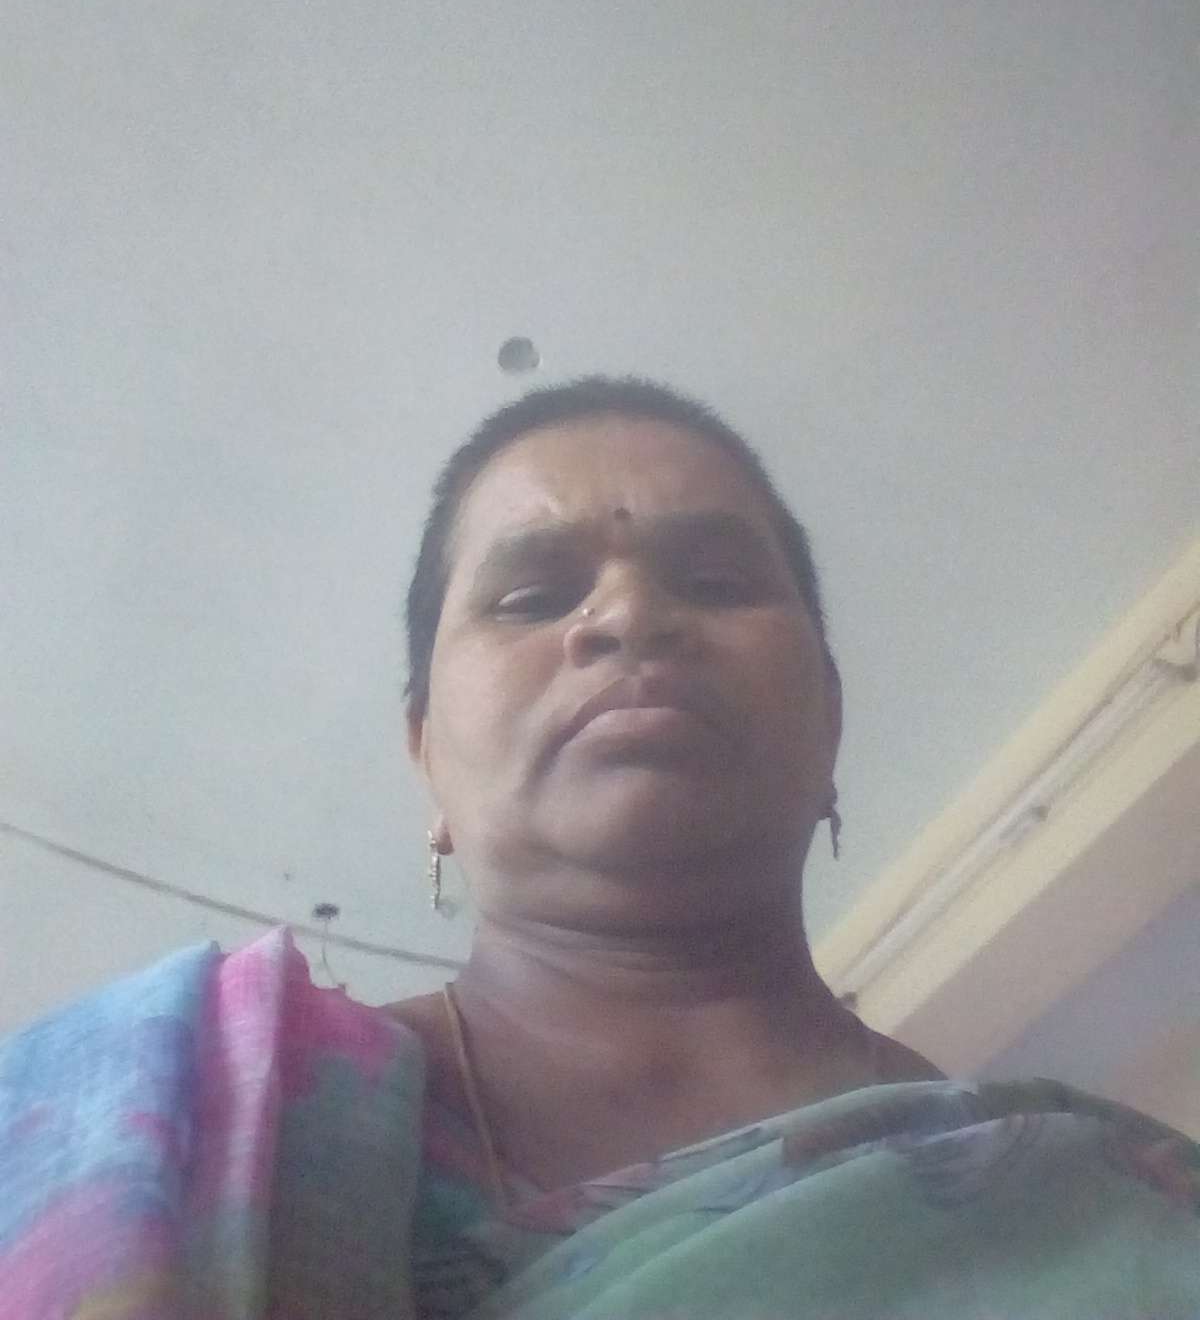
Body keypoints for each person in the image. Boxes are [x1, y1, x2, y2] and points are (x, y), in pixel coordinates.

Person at [2, 375, 1197, 1319]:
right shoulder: (192, 1119)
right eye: (532, 597)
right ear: (426, 754)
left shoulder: (1098, 1199)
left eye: (716, 579)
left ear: (829, 720)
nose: (628, 615)